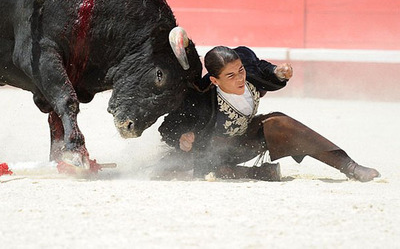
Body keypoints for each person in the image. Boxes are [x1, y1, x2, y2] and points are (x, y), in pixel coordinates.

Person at [157, 45, 380, 182]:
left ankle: (350, 167)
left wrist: (277, 72)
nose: (240, 78)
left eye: (240, 70)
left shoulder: (245, 66)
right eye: (231, 76)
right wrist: (182, 138)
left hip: (244, 143)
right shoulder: (201, 97)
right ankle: (256, 173)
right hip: (212, 154)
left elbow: (261, 67)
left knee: (278, 122)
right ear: (214, 80)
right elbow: (168, 127)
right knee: (191, 171)